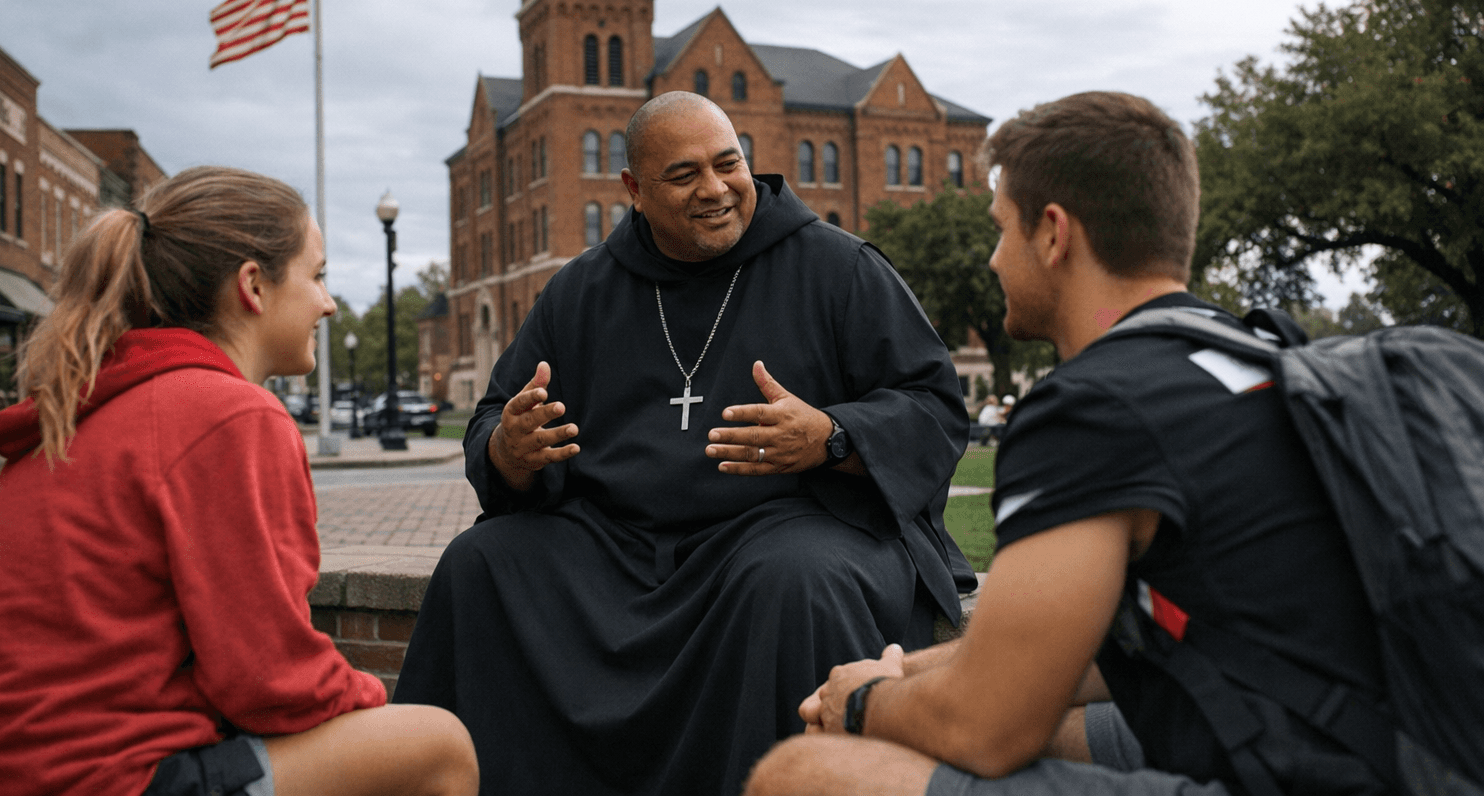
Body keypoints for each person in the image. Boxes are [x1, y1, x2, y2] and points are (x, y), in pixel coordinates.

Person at [744, 91, 1387, 796]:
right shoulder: (1259, 357)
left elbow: (985, 728)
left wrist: (861, 705)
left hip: (1298, 773)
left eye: (1001, 230)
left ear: (1053, 234)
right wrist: (898, 673)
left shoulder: (1093, 408)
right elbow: (1101, 652)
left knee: (802, 773)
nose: (992, 260)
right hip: (1381, 744)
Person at [395, 92, 975, 796]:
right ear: (635, 191)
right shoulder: (581, 291)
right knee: (481, 562)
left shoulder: (837, 267)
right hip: (616, 544)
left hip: (787, 525)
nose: (715, 189)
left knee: (792, 581)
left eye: (727, 163)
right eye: (683, 175)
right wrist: (507, 450)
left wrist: (832, 435)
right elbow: (497, 414)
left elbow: (934, 404)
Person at [0, 167, 478, 796]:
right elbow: (271, 683)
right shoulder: (230, 414)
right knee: (439, 746)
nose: (329, 303)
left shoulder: (103, 401)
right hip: (95, 778)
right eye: (317, 276)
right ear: (253, 285)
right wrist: (373, 704)